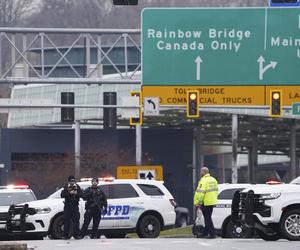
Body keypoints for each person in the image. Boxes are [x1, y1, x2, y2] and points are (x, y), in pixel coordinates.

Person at [193, 167, 218, 239]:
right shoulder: (213, 179)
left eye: (201, 171)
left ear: (204, 172)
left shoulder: (203, 180)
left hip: (205, 201)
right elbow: (216, 190)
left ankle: (212, 234)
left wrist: (199, 202)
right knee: (208, 217)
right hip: (211, 201)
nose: (200, 173)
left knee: (207, 218)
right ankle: (205, 233)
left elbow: (201, 193)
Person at [61, 175, 83, 239]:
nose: (72, 183)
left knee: (76, 221)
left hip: (75, 206)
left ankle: (77, 235)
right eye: (70, 182)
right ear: (68, 181)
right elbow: (62, 195)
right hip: (67, 207)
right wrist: (69, 193)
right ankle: (66, 235)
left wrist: (76, 194)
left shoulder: (77, 187)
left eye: (73, 181)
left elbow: (82, 195)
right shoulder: (65, 187)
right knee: (66, 221)